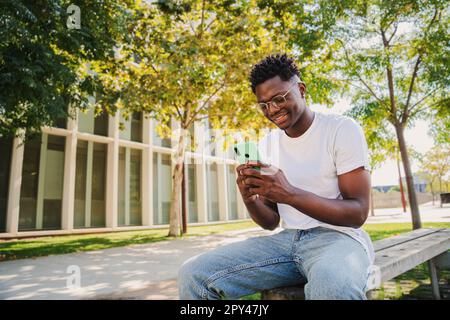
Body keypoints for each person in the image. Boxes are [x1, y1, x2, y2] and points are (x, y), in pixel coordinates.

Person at [178, 53, 374, 300]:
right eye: (264, 104)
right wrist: (250, 198)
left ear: (301, 90)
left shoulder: (341, 130)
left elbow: (357, 213)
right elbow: (270, 221)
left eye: (279, 98)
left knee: (333, 287)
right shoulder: (268, 143)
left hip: (339, 239)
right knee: (193, 274)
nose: (272, 110)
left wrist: (289, 194)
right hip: (286, 243)